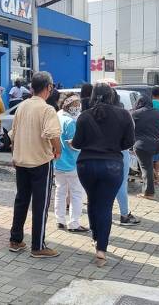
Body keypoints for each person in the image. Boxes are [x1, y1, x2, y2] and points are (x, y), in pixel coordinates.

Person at [72, 83, 135, 267]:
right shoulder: (124, 115)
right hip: (112, 166)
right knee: (105, 206)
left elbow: (77, 143)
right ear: (112, 96)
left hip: (86, 165)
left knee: (92, 200)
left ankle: (95, 235)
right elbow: (128, 142)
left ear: (92, 97)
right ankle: (101, 249)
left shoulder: (84, 116)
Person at [8, 71, 62, 258]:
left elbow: (13, 134)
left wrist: (16, 154)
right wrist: (58, 150)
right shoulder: (47, 109)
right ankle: (38, 246)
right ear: (48, 87)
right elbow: (53, 134)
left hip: (21, 161)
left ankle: (15, 240)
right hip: (40, 162)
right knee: (40, 204)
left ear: (32, 88)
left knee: (21, 200)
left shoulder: (22, 106)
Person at [54, 93, 89, 233]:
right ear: (68, 105)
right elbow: (75, 144)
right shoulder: (71, 122)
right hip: (73, 163)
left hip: (58, 161)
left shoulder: (58, 115)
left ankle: (60, 220)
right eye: (75, 105)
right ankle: (74, 223)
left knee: (60, 191)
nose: (78, 107)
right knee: (76, 193)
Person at [111, 92, 141, 225]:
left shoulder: (92, 114)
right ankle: (124, 215)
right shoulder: (124, 114)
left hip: (101, 155)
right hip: (121, 153)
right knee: (121, 184)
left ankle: (104, 214)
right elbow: (130, 139)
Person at [131, 96, 159, 202]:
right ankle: (155, 177)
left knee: (146, 167)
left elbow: (130, 129)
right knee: (148, 165)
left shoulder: (135, 114)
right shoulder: (158, 112)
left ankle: (148, 192)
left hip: (143, 144)